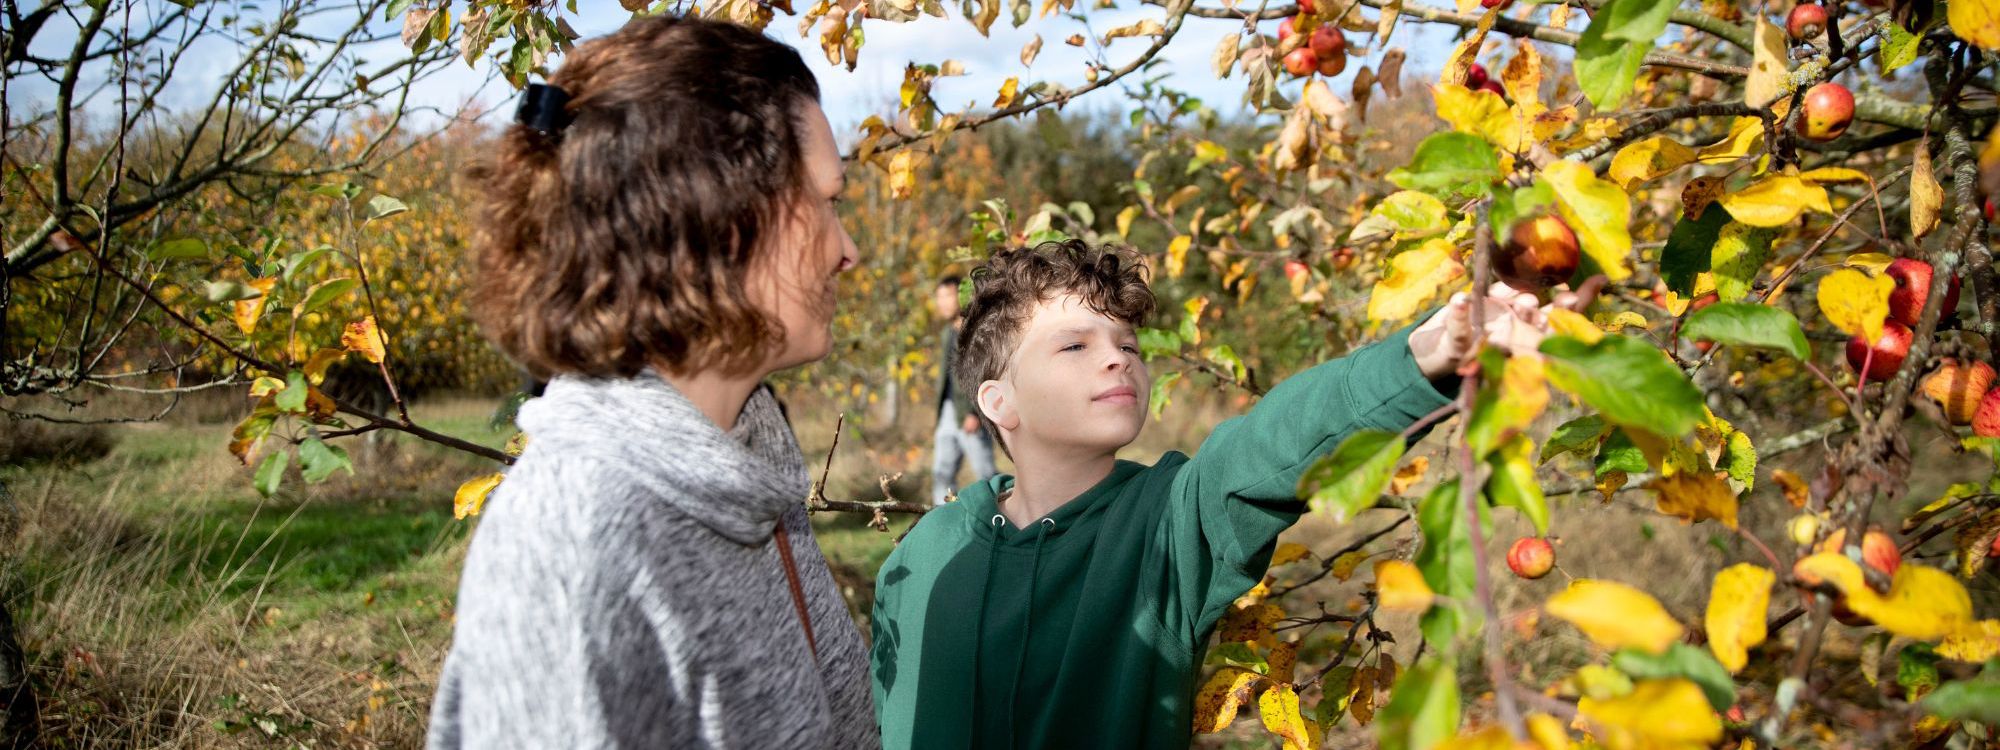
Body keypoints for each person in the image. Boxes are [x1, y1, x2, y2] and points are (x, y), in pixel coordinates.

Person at [869, 240, 1584, 748]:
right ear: (999, 401)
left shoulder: (1169, 525)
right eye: (1074, 345)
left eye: (1130, 344)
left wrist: (1426, 354)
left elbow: (1273, 442)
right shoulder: (923, 556)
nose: (1118, 354)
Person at [427, 16, 878, 748]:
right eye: (829, 202)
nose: (847, 250)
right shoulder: (580, 542)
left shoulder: (748, 468)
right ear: (726, 217)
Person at [930, 275, 997, 505]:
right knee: (942, 473)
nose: (942, 303)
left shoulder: (976, 331)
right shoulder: (947, 332)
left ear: (961, 296)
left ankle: (1001, 520)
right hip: (949, 412)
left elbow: (984, 371)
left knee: (985, 473)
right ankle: (941, 524)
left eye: (947, 296)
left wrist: (975, 411)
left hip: (971, 412)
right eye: (939, 297)